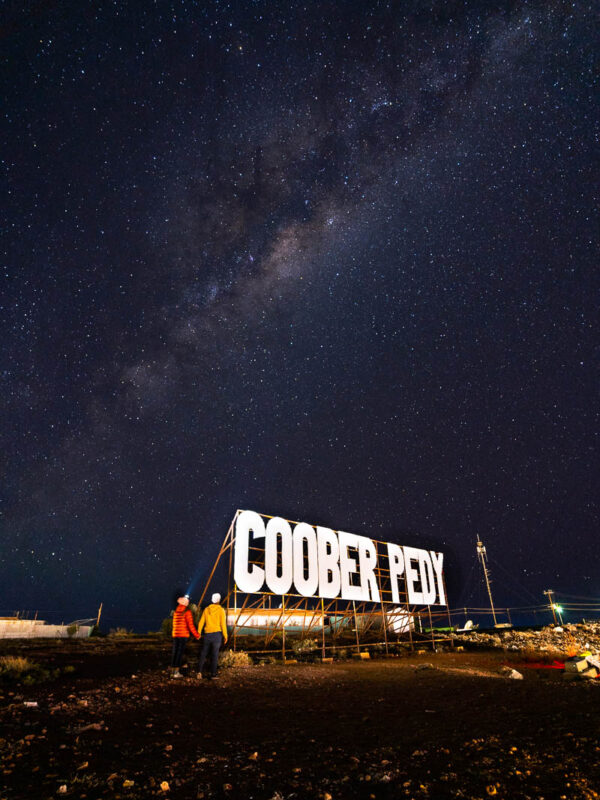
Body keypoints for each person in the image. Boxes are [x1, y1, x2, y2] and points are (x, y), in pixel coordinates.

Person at [197, 593, 228, 679]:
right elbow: (223, 624)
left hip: (207, 635)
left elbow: (201, 622)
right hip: (217, 635)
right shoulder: (221, 610)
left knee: (203, 653)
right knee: (214, 655)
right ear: (219, 600)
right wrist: (225, 636)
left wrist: (198, 633)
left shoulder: (206, 610)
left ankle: (199, 672)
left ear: (212, 599)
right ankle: (213, 674)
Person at [170, 594, 200, 678]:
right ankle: (176, 673)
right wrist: (197, 635)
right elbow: (190, 626)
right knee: (179, 653)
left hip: (175, 635)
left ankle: (173, 672)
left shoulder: (176, 611)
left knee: (175, 652)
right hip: (183, 635)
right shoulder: (187, 612)